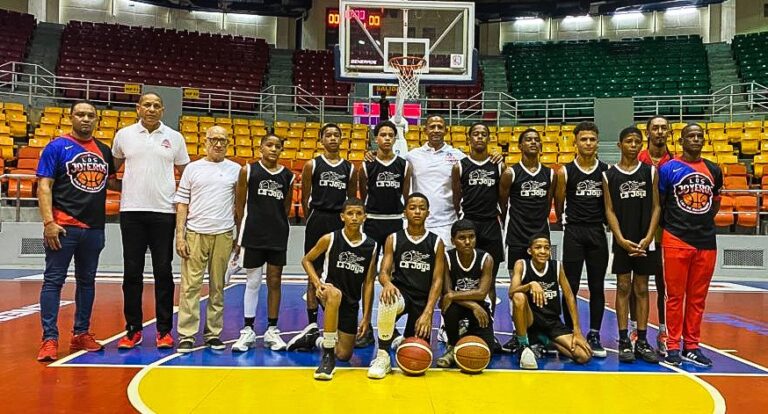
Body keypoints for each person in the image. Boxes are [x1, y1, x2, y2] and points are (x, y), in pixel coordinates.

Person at [35, 101, 117, 361]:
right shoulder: (57, 147)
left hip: (94, 228)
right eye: (80, 114)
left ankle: (81, 333)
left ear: (97, 120)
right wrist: (49, 222)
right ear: (71, 117)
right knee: (53, 282)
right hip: (63, 227)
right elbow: (44, 186)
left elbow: (114, 182)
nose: (85, 119)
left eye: (90, 115)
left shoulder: (104, 150)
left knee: (87, 282)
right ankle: (49, 339)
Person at [113, 92, 190, 349]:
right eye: (147, 104)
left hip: (163, 213)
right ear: (138, 108)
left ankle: (164, 331)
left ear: (163, 110)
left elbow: (186, 175)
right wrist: (128, 189)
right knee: (131, 273)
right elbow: (112, 171)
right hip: (132, 212)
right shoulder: (123, 135)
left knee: (163, 272)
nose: (151, 109)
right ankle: (132, 330)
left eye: (157, 105)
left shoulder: (175, 138)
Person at [287, 124, 357, 351]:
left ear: (342, 139)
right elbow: (306, 196)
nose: (333, 138)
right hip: (318, 220)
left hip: (340, 222)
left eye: (337, 135)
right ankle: (311, 326)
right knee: (314, 273)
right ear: (321, 139)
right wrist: (313, 218)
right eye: (329, 135)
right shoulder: (312, 165)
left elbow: (351, 197)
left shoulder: (349, 168)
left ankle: (334, 322)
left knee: (337, 273)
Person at [658, 123, 722, 367]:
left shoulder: (714, 169)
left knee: (697, 298)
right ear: (682, 140)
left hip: (706, 241)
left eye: (699, 136)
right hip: (676, 238)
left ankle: (692, 345)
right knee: (675, 297)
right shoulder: (668, 169)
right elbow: (662, 202)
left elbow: (714, 203)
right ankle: (673, 345)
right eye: (690, 136)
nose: (695, 139)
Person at [174, 126, 240, 352]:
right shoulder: (192, 169)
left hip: (223, 234)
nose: (218, 144)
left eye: (223, 140)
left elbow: (239, 207)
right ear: (205, 141)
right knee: (190, 287)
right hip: (195, 233)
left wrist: (238, 236)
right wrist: (180, 236)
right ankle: (187, 335)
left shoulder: (236, 169)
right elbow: (182, 203)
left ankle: (213, 333)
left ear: (228, 143)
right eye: (214, 140)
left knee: (218, 286)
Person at [367, 193, 446, 379]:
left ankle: (402, 338)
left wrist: (428, 313)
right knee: (388, 299)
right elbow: (383, 271)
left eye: (421, 208)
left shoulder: (436, 242)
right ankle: (383, 356)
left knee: (416, 353)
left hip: (422, 300)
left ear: (428, 213)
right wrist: (386, 283)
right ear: (405, 212)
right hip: (401, 294)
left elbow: (437, 281)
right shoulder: (393, 238)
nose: (417, 211)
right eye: (412, 207)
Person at [230, 134, 295, 352]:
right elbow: (239, 205)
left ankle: (272, 330)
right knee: (253, 281)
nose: (273, 149)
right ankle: (247, 329)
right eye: (269, 145)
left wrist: (277, 224)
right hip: (253, 234)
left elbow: (285, 207)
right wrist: (240, 236)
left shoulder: (288, 175)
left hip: (277, 234)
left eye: (278, 146)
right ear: (261, 148)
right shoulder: (248, 171)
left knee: (275, 280)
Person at [302, 198, 378, 380]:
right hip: (328, 293)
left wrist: (366, 317)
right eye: (350, 213)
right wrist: (317, 283)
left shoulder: (371, 246)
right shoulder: (330, 238)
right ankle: (327, 357)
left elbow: (368, 283)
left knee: (344, 354)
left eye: (358, 214)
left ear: (365, 217)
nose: (354, 217)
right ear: (342, 216)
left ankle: (313, 339)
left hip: (351, 302)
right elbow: (307, 260)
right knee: (335, 294)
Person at [603, 126, 661, 364]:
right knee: (623, 287)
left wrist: (649, 238)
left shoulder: (650, 172)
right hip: (623, 240)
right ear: (620, 145)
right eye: (629, 141)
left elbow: (657, 206)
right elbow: (609, 209)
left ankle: (643, 340)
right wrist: (619, 238)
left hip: (645, 238)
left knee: (642, 288)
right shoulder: (609, 175)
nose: (634, 145)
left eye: (638, 141)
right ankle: (624, 340)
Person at [554, 121, 609, 358]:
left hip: (597, 231)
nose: (588, 143)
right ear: (575, 142)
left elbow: (609, 205)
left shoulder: (606, 170)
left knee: (597, 286)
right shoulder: (565, 171)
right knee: (570, 286)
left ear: (597, 142)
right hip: (574, 232)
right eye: (583, 139)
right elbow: (558, 203)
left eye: (592, 139)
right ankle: (569, 331)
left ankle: (594, 333)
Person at [499, 128, 555, 353]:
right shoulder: (511, 173)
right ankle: (517, 332)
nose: (533, 143)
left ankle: (540, 331)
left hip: (540, 236)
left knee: (542, 285)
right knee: (517, 287)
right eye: (528, 140)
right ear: (520, 146)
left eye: (536, 140)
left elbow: (551, 201)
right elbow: (503, 203)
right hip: (517, 236)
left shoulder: (550, 174)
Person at [357, 120, 411, 348]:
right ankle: (366, 325)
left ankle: (393, 324)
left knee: (395, 275)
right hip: (372, 222)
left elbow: (406, 196)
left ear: (395, 139)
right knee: (368, 276)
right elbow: (362, 193)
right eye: (383, 135)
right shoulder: (366, 165)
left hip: (395, 223)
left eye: (391, 135)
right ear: (375, 138)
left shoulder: (404, 165)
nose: (387, 138)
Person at [508, 234, 592, 370]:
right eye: (538, 247)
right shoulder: (521, 264)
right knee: (519, 296)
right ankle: (523, 344)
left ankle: (545, 340)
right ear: (530, 251)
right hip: (530, 319)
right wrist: (530, 285)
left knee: (584, 355)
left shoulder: (556, 266)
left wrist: (577, 331)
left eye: (546, 248)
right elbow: (511, 292)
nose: (543, 251)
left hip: (551, 321)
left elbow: (569, 296)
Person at [451, 123, 504, 314]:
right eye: (476, 134)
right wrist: (462, 218)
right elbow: (456, 198)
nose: (480, 137)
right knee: (464, 278)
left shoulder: (498, 165)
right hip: (469, 224)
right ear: (469, 139)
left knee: (489, 282)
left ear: (489, 138)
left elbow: (502, 197)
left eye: (484, 134)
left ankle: (488, 323)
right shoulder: (459, 166)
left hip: (491, 224)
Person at [634, 115, 672, 354]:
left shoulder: (676, 162)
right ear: (647, 133)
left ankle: (663, 329)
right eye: (654, 128)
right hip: (638, 231)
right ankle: (635, 329)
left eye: (663, 128)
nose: (659, 132)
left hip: (666, 233)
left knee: (664, 286)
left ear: (668, 132)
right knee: (637, 283)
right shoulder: (636, 160)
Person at [435, 220, 495, 368]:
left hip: (480, 306)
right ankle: (453, 344)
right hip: (458, 306)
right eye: (462, 238)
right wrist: (473, 305)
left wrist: (474, 304)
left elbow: (481, 293)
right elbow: (447, 292)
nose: (468, 242)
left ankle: (463, 337)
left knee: (487, 350)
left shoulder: (486, 259)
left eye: (471, 237)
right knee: (447, 306)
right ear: (453, 240)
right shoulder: (447, 258)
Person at [404, 115, 466, 247]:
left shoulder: (458, 156)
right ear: (425, 130)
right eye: (432, 127)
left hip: (448, 222)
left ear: (446, 131)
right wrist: (371, 156)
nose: (436, 130)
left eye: (440, 127)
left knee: (445, 265)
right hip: (419, 222)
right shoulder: (412, 156)